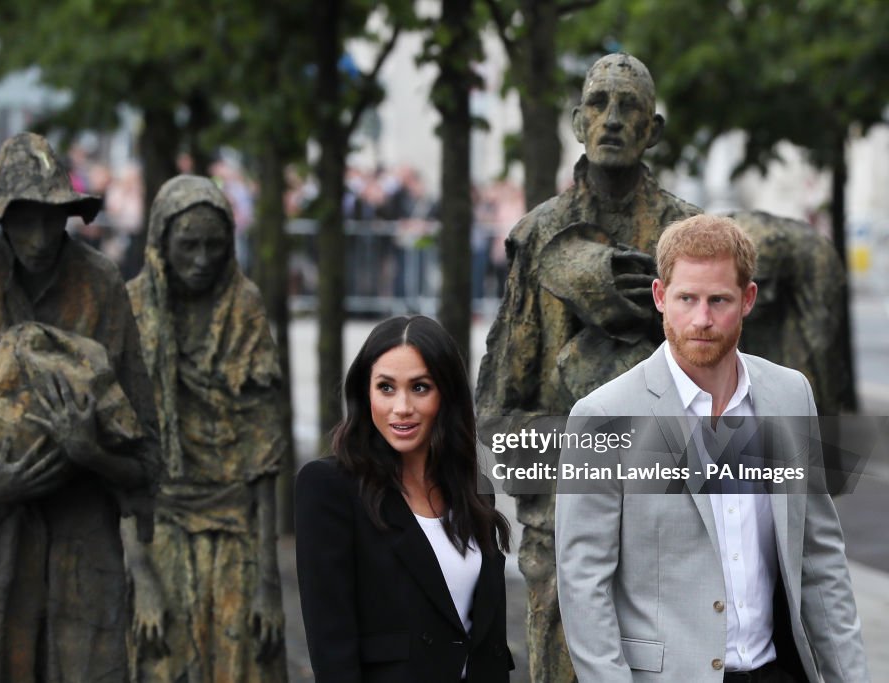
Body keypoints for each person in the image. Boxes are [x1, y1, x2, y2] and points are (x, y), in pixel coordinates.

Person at [555, 214, 869, 682]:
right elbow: (583, 585)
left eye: (718, 300)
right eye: (687, 299)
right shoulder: (603, 415)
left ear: (747, 300)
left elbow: (819, 557)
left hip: (775, 670)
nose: (701, 320)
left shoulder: (788, 395)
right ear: (661, 297)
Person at [475, 52, 700, 682]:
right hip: (562, 521)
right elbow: (502, 405)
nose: (613, 119)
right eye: (599, 104)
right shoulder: (539, 235)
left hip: (669, 525)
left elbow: (723, 398)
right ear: (578, 122)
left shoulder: (691, 237)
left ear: (652, 129)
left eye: (629, 107)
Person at [0, 132, 161, 682]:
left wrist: (90, 452)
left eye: (54, 217)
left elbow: (146, 456)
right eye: (25, 217)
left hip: (84, 540)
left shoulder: (100, 284)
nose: (41, 235)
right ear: (2, 217)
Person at [121, 174, 288, 682]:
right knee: (158, 663)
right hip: (160, 527)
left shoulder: (245, 308)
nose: (200, 259)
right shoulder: (132, 309)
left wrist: (268, 584)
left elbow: (264, 459)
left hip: (236, 530)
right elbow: (121, 456)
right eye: (187, 244)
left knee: (247, 666)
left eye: (214, 245)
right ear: (161, 242)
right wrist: (142, 574)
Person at [296, 316, 514, 683]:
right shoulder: (329, 488)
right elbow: (332, 649)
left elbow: (483, 637)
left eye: (419, 387)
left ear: (446, 393)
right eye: (385, 387)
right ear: (365, 393)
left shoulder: (471, 487)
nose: (401, 407)